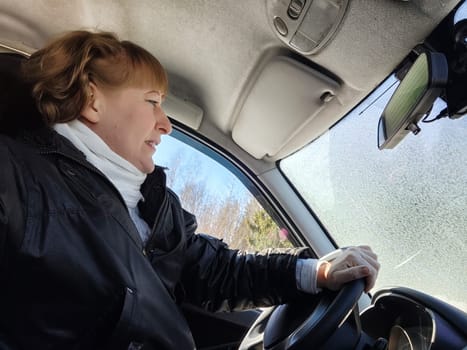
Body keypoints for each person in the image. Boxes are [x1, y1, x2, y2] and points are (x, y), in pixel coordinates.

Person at [0, 30, 379, 349]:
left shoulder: (151, 205)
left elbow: (217, 271)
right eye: (152, 102)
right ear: (91, 98)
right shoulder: (14, 176)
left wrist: (317, 272)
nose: (165, 125)